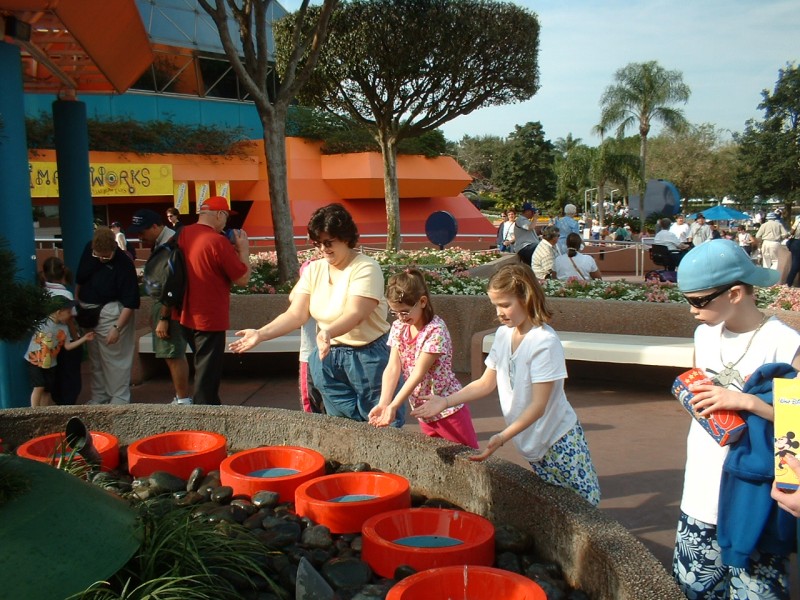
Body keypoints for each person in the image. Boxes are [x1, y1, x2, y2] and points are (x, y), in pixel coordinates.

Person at [673, 238, 800, 599]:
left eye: (699, 300)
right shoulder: (703, 333)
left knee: (756, 592)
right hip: (700, 487)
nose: (692, 310)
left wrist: (746, 402)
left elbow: (797, 421)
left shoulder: (784, 342)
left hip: (755, 494)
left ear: (735, 293)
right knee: (692, 590)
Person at [412, 264, 600, 505]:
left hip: (558, 439)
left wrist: (502, 437)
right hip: (530, 439)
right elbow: (485, 383)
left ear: (526, 297)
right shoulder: (503, 335)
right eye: (495, 305)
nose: (499, 312)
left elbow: (538, 406)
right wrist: (446, 401)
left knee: (584, 504)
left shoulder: (544, 342)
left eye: (505, 304)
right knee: (555, 502)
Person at [230, 203, 403, 425]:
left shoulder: (366, 267)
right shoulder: (314, 269)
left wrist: (328, 331)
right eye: (317, 243)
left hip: (369, 356)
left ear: (346, 238)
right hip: (327, 354)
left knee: (380, 420)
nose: (323, 248)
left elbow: (356, 313)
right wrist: (260, 334)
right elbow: (296, 314)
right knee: (341, 423)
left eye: (329, 242)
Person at [368, 269, 478, 448]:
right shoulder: (399, 326)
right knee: (436, 457)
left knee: (468, 457)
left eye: (404, 312)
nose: (400, 318)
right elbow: (393, 367)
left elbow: (418, 372)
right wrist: (384, 403)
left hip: (447, 409)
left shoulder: (436, 330)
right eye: (395, 312)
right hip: (422, 409)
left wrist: (394, 406)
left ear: (422, 302)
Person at [178, 196, 251, 405]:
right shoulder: (217, 241)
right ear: (219, 215)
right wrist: (243, 250)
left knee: (202, 368)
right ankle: (207, 420)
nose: (226, 222)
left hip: (183, 314)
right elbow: (242, 279)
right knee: (207, 377)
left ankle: (206, 408)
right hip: (209, 317)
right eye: (226, 216)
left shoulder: (183, 234)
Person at [128, 209, 192, 405]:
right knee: (171, 353)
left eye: (142, 231)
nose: (140, 236)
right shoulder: (165, 242)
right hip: (166, 304)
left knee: (172, 353)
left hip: (169, 307)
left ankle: (182, 399)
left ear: (156, 226)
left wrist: (164, 317)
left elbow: (171, 284)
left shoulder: (170, 244)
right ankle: (182, 397)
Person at [76, 227, 140, 404]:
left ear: (114, 248)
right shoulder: (89, 251)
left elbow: (131, 301)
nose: (101, 259)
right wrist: (78, 305)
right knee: (95, 360)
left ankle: (119, 398)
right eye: (98, 255)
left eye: (106, 256)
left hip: (112, 312)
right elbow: (80, 280)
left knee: (115, 361)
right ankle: (100, 396)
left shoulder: (124, 264)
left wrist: (117, 327)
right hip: (88, 310)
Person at [25, 296, 94, 407]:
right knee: (39, 386)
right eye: (68, 312)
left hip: (50, 363)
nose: (71, 314)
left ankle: (43, 411)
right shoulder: (43, 323)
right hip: (36, 361)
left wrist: (84, 339)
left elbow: (68, 346)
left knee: (48, 390)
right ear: (59, 312)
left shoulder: (63, 328)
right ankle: (33, 411)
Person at [39, 256, 83, 405]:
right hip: (64, 341)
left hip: (46, 342)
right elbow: (70, 319)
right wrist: (77, 338)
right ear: (63, 272)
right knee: (69, 378)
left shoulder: (41, 293)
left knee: (52, 380)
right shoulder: (66, 295)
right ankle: (67, 407)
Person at [296, 258, 325, 414]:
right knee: (310, 404)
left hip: (336, 352)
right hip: (310, 354)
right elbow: (294, 299)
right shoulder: (311, 266)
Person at [784, 216, 800, 286]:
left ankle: (788, 283)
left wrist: (786, 235)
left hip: (797, 242)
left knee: (795, 264)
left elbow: (792, 231)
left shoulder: (799, 219)